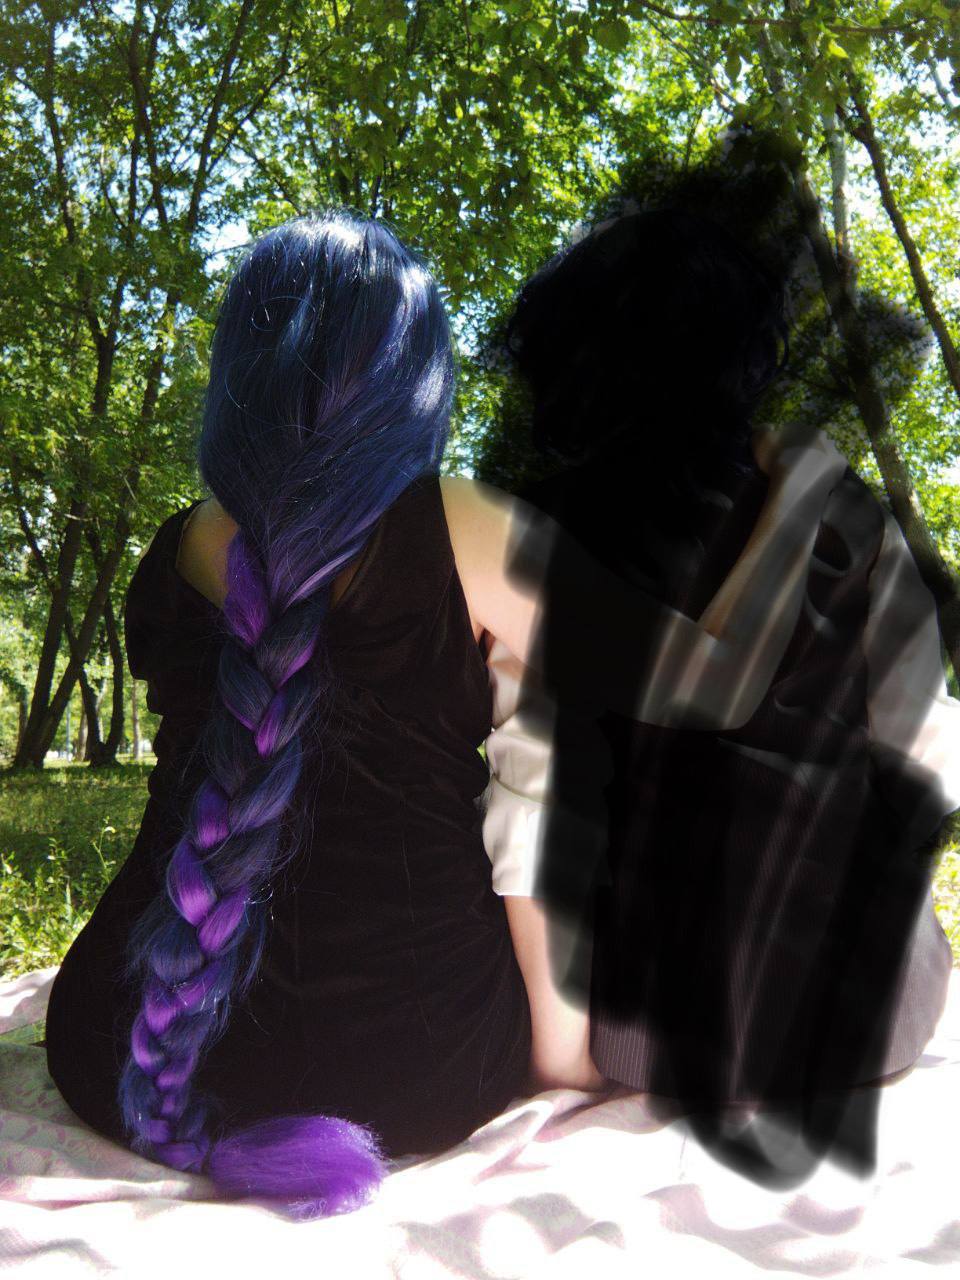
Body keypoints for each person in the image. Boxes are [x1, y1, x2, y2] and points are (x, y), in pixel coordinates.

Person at [43, 210, 842, 1221]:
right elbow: (718, 683)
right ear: (408, 381)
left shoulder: (174, 550)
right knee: (559, 740)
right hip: (412, 1065)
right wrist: (792, 502)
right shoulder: (462, 527)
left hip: (123, 1043)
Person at [476, 197, 958, 1187]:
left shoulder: (543, 544)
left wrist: (561, 1058)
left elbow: (532, 809)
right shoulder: (842, 515)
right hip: (880, 1010)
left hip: (659, 1028)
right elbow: (927, 754)